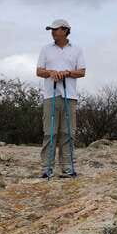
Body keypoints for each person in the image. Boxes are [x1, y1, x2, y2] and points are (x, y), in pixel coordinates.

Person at [36, 19, 86, 177]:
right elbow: (39, 71)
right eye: (51, 30)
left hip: (69, 96)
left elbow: (82, 72)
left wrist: (67, 73)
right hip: (50, 95)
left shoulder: (77, 50)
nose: (52, 32)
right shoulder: (45, 49)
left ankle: (68, 168)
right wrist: (51, 73)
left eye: (55, 29)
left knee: (68, 132)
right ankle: (46, 169)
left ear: (65, 31)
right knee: (49, 132)